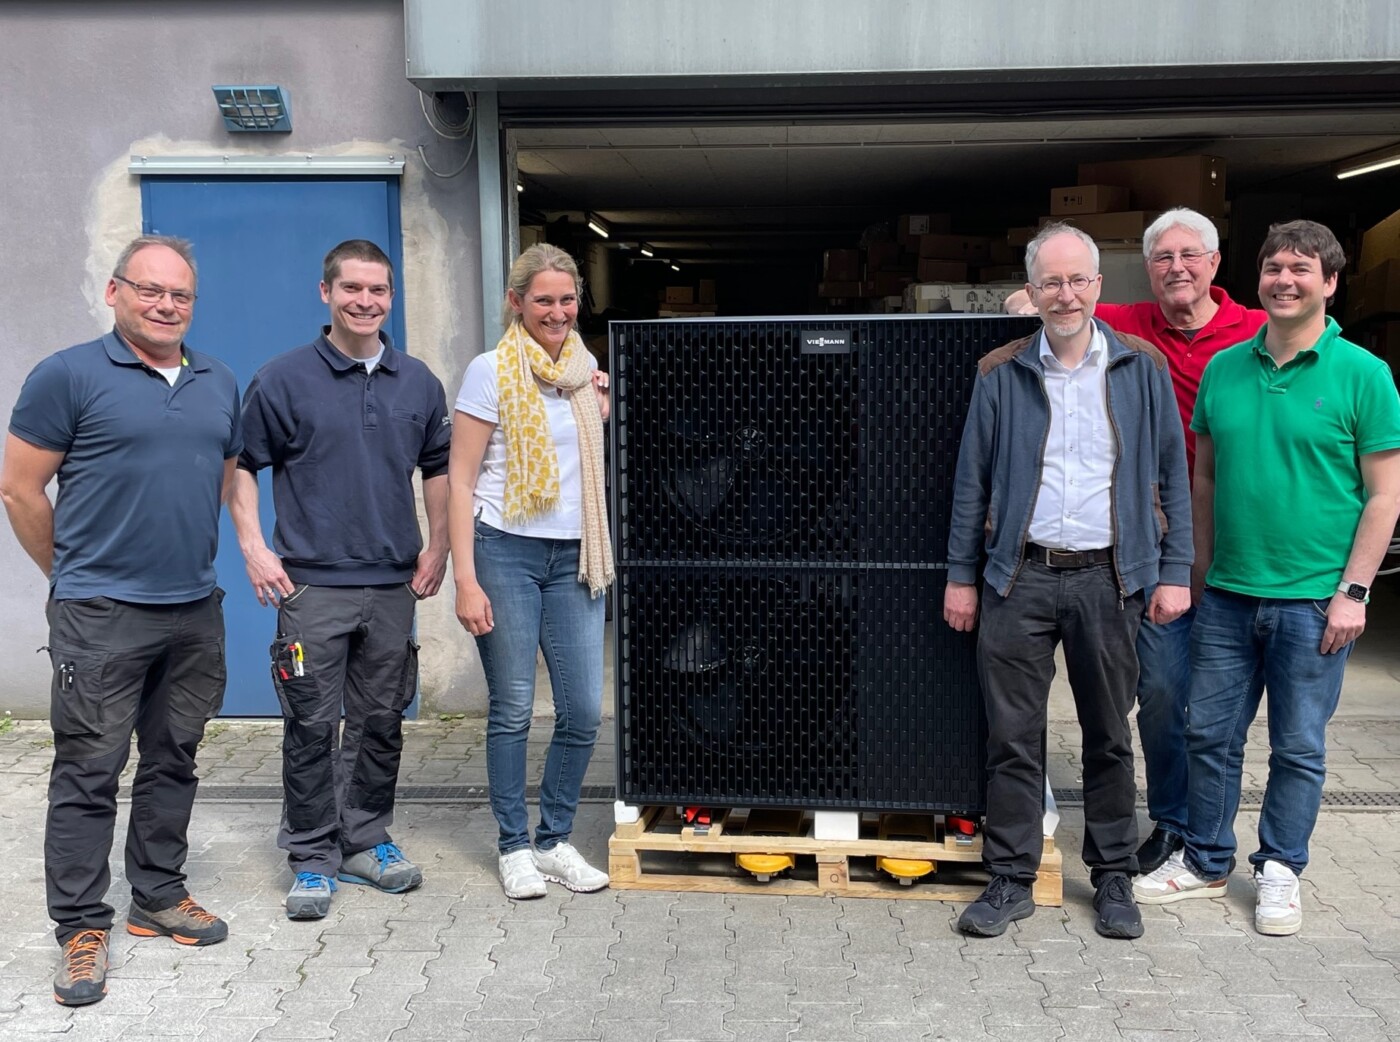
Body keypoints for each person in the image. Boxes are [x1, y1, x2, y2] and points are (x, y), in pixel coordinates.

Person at [1134, 221, 1400, 936]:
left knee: (1298, 745)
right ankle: (1205, 858)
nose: (1285, 279)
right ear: (1257, 278)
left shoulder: (1364, 376)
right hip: (1226, 594)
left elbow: (1385, 494)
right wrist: (1191, 574)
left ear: (1330, 282)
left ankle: (1281, 868)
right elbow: (1204, 478)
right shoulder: (1225, 368)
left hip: (1315, 599)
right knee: (1208, 733)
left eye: (1301, 269)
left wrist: (1354, 591)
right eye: (1274, 267)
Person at [1, 237, 240, 1006]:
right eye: (151, 290)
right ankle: (79, 927)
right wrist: (69, 578)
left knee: (175, 757)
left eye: (181, 295)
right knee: (88, 772)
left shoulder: (217, 381)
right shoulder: (66, 376)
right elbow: (19, 490)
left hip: (194, 610)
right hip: (100, 615)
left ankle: (158, 894)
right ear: (114, 293)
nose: (166, 305)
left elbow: (222, 476)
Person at [944, 223, 1193, 939]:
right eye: (1051, 282)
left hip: (1110, 581)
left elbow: (1173, 474)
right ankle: (1011, 877)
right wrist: (963, 577)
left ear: (1098, 286)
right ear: (1033, 290)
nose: (1065, 294)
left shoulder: (1140, 368)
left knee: (1110, 735)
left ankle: (1114, 877)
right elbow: (971, 483)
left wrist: (1173, 574)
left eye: (1077, 279)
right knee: (1012, 736)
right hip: (1018, 578)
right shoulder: (1002, 370)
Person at [1007, 209, 1267, 874]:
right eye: (1162, 258)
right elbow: (1046, 302)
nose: (1177, 268)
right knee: (1159, 694)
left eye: (1190, 255)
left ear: (1215, 263)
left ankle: (1205, 840)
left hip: (1232, 541)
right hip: (1145, 546)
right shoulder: (1130, 327)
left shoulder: (1257, 336)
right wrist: (1033, 295)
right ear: (1144, 271)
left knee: (1214, 716)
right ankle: (1170, 824)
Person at [229, 240, 451, 920]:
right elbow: (241, 464)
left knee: (381, 722)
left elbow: (438, 469)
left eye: (378, 290)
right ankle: (311, 856)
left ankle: (364, 839)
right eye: (351, 288)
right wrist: (253, 548)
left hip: (392, 587)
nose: (365, 301)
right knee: (310, 725)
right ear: (324, 293)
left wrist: (438, 543)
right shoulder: (282, 378)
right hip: (311, 589)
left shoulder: (418, 382)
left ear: (391, 298)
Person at [448, 243, 613, 899]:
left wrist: (602, 405)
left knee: (581, 710)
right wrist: (465, 577)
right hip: (504, 551)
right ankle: (514, 845)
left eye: (566, 299)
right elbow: (460, 480)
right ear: (517, 302)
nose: (557, 310)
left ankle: (555, 840)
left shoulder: (586, 369)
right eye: (543, 299)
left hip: (575, 553)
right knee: (514, 709)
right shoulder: (489, 372)